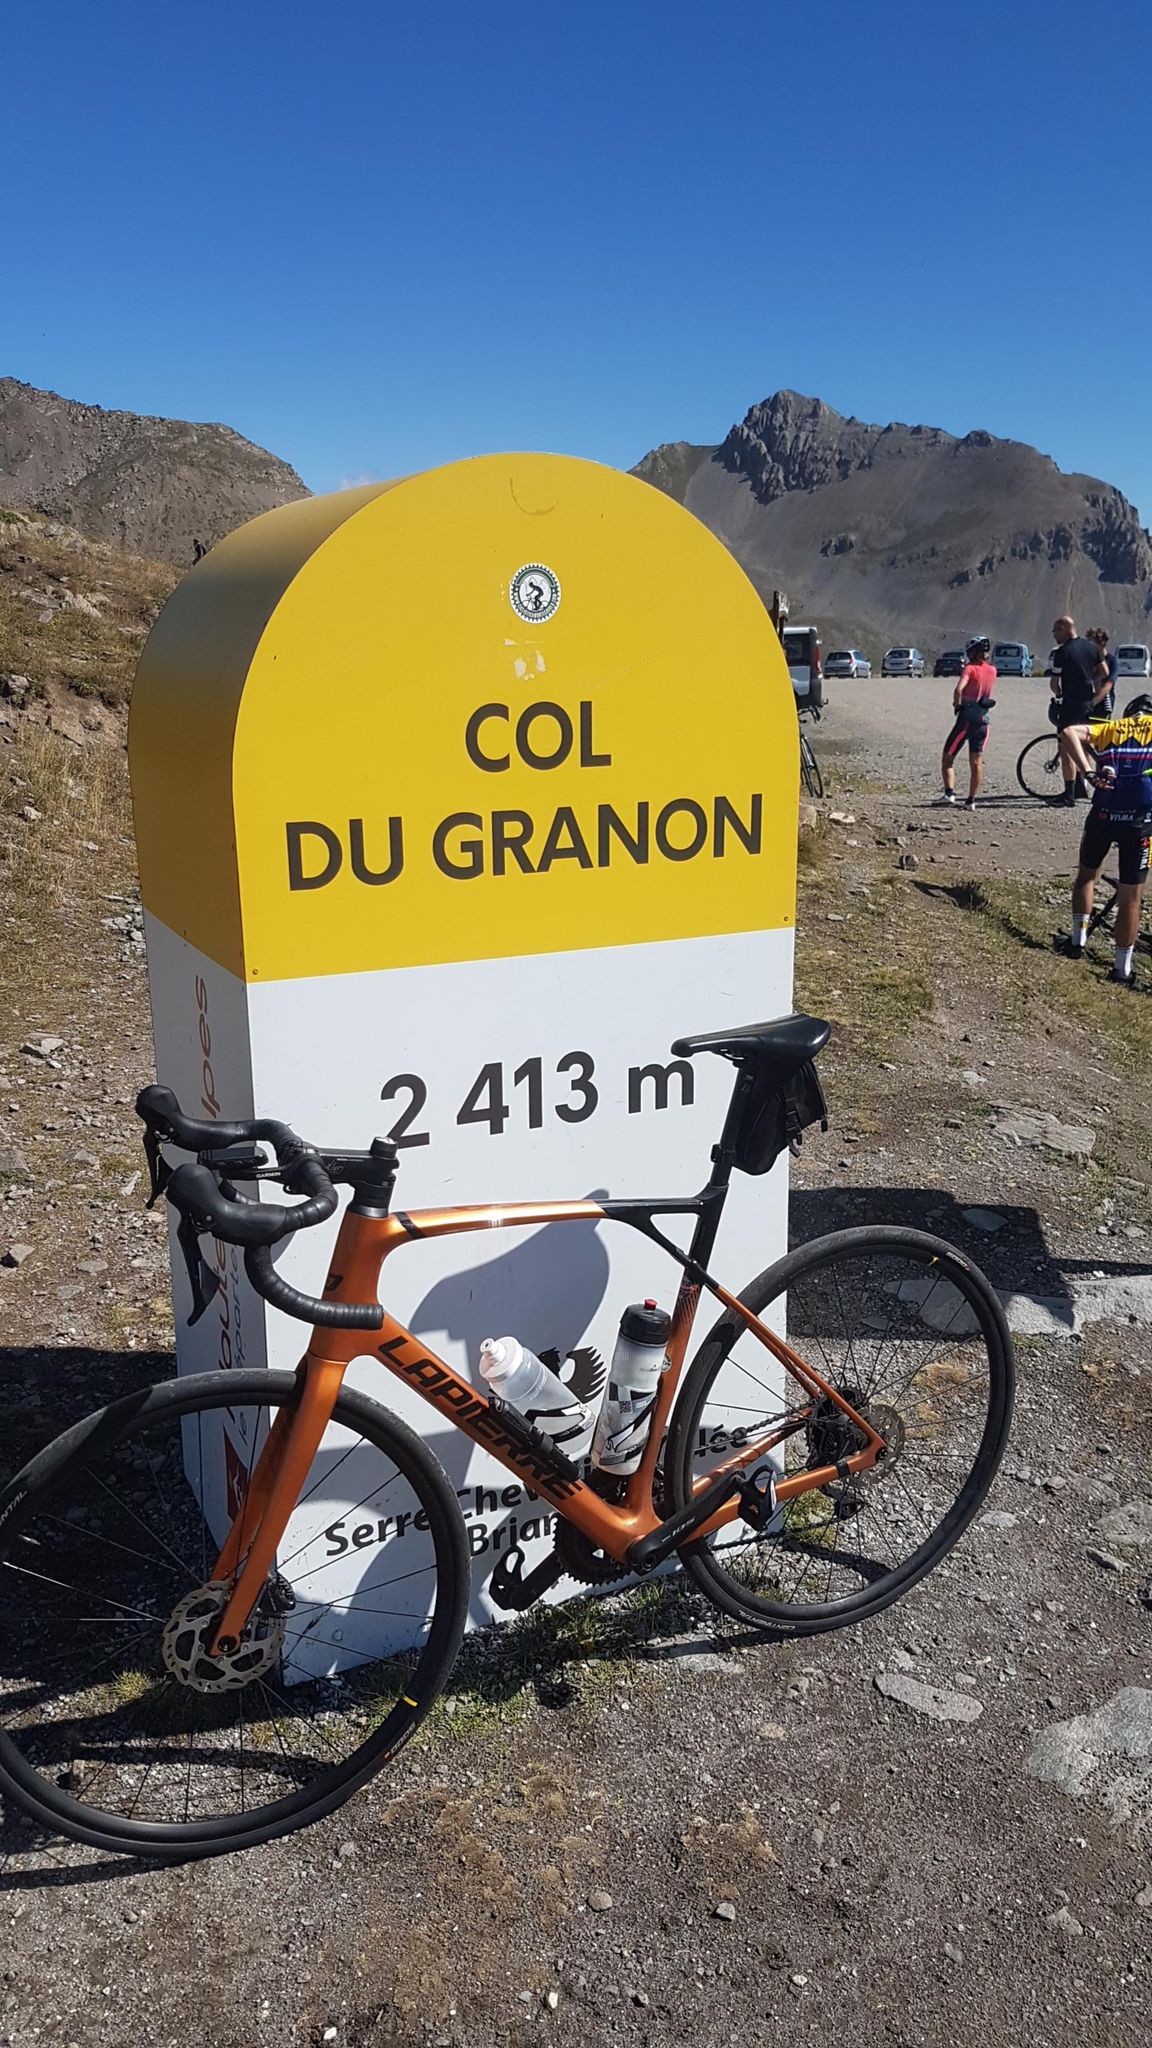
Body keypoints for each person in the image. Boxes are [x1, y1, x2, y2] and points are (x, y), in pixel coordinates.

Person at [1055, 694, 1152, 985]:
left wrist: (1087, 772)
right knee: (1131, 896)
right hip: (1140, 821)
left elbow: (1068, 732)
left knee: (1087, 876)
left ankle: (1077, 943)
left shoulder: (1111, 728)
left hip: (1103, 815)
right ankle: (1122, 970)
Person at [1050, 616, 1112, 805]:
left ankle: (1069, 793)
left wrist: (1059, 693)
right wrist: (1089, 678)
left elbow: (1054, 683)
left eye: (1055, 631)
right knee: (1083, 743)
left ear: (1064, 628)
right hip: (1087, 702)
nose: (1054, 635)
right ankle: (1081, 787)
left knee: (1066, 745)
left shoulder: (1062, 652)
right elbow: (1105, 671)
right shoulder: (1092, 647)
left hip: (1070, 704)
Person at [940, 635, 997, 809]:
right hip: (984, 720)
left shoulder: (970, 669)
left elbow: (959, 689)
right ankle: (971, 800)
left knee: (948, 757)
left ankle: (949, 793)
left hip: (967, 720)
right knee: (977, 761)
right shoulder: (992, 670)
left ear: (973, 652)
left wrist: (956, 706)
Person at [1087, 627, 1117, 719]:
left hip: (1104, 703)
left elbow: (1108, 686)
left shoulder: (1112, 661)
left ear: (1102, 643)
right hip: (1088, 700)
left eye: (1093, 644)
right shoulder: (1089, 660)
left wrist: (1093, 703)